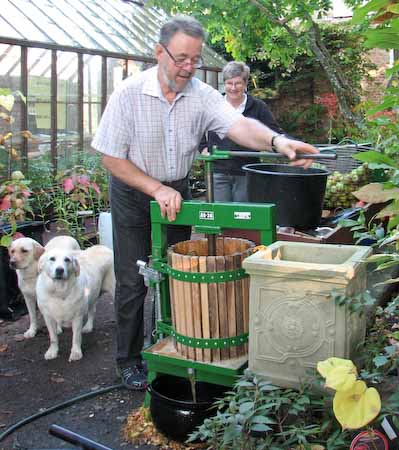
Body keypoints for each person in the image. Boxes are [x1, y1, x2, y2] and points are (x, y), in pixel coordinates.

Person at [91, 15, 318, 390]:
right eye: (181, 58)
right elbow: (110, 157)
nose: (188, 67)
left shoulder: (201, 94)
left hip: (176, 191)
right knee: (132, 281)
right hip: (133, 192)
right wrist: (154, 189)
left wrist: (279, 143)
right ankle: (128, 360)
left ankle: (180, 344)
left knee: (177, 272)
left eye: (194, 59)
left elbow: (239, 126)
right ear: (159, 52)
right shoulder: (129, 93)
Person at [200, 61, 283, 202]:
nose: (233, 88)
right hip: (218, 170)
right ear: (224, 83)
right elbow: (198, 127)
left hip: (246, 171)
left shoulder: (258, 107)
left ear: (245, 84)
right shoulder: (214, 104)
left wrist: (287, 145)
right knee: (220, 216)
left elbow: (274, 132)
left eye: (237, 83)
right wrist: (202, 147)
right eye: (229, 83)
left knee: (242, 217)